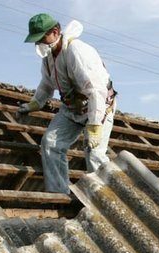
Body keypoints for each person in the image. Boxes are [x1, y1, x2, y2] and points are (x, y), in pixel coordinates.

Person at [17, 13, 117, 194]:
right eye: (36, 40)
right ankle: (59, 193)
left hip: (98, 106)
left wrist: (94, 125)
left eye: (42, 38)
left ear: (55, 32)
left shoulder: (76, 51)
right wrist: (35, 103)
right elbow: (46, 84)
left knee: (94, 153)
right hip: (72, 108)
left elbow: (96, 90)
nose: (39, 43)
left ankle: (109, 197)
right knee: (50, 143)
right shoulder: (48, 58)